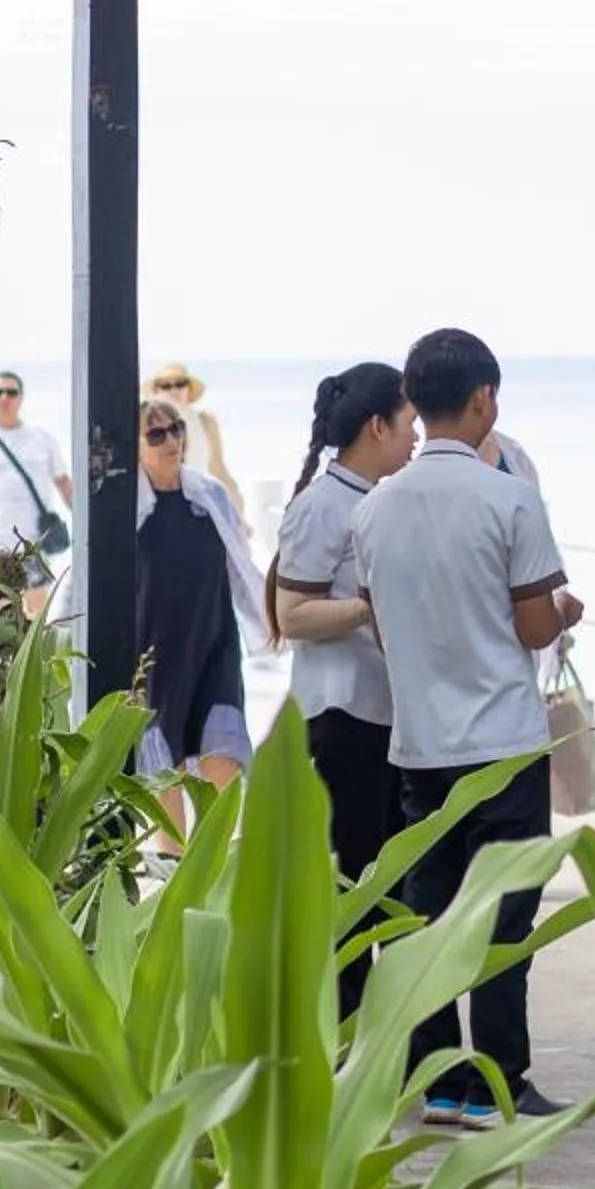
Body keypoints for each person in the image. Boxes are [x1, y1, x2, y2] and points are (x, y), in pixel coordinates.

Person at [354, 328, 583, 1129]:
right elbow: (530, 628)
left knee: (428, 915)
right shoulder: (509, 498)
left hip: (419, 740)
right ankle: (498, 1080)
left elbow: (383, 626)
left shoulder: (374, 509)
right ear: (483, 399)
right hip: (504, 737)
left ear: (415, 404)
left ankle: (438, 1079)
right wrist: (560, 610)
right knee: (504, 917)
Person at [268, 361, 423, 1011]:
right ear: (376, 426)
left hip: (388, 718)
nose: (416, 437)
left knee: (395, 881)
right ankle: (341, 1026)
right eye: (409, 423)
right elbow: (291, 614)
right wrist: (369, 606)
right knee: (350, 883)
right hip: (342, 719)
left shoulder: (380, 499)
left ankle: (386, 1028)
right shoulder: (321, 507)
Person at [132, 393, 266, 836]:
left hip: (213, 642)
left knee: (222, 759)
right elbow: (88, 580)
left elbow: (241, 566)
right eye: (156, 433)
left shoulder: (208, 494)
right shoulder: (124, 507)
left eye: (177, 429)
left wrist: (272, 624)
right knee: (163, 765)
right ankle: (175, 878)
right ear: (136, 444)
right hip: (152, 652)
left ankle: (220, 864)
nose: (171, 440)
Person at [0, 371, 77, 613]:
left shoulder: (42, 438)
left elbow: (63, 483)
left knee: (36, 616)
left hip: (32, 544)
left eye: (11, 392)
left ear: (21, 397)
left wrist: (87, 522)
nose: (4, 398)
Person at [149, 363, 249, 535]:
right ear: (156, 391)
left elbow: (218, 467)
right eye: (165, 385)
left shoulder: (205, 421)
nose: (173, 390)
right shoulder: (148, 426)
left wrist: (237, 513)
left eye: (180, 384)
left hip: (203, 502)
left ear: (189, 389)